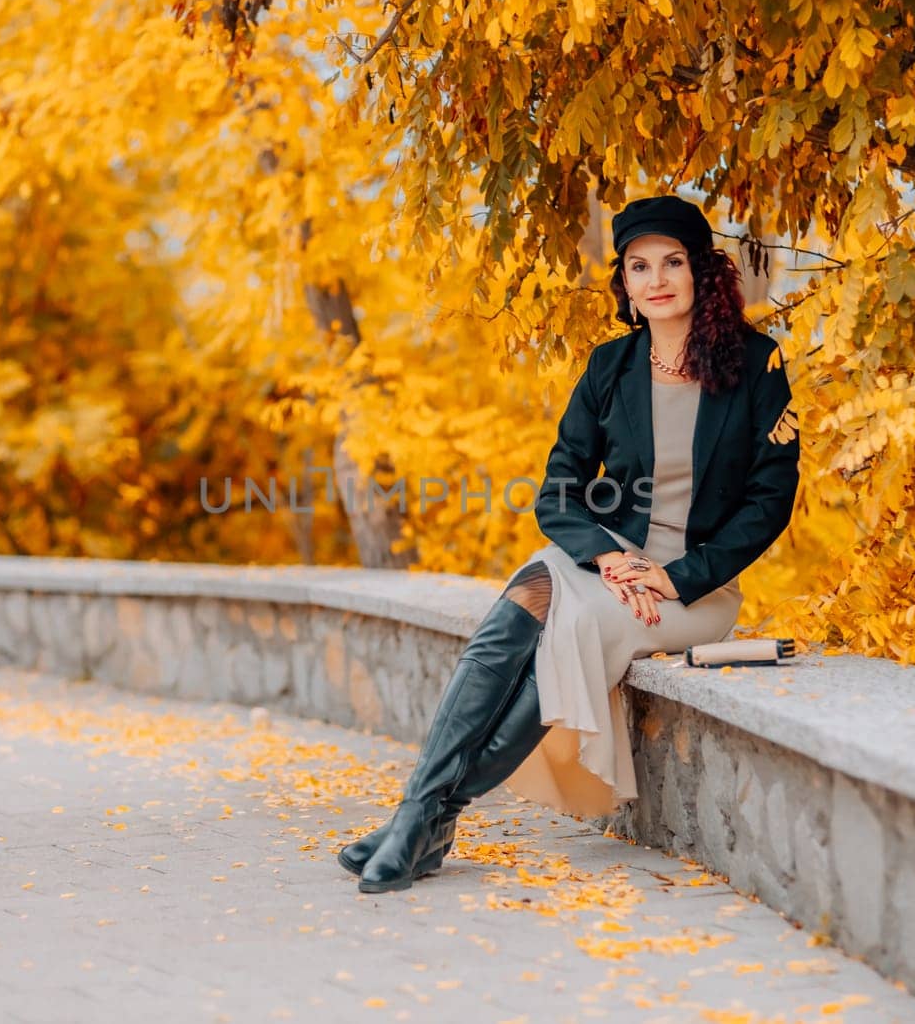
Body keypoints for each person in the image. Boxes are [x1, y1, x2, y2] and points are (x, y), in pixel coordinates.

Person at [340, 193, 801, 893]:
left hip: (695, 588)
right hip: (606, 560)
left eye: (671, 262)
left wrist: (673, 578)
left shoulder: (756, 364)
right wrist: (609, 556)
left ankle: (427, 814)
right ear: (624, 282)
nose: (656, 280)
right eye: (638, 266)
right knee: (522, 604)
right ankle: (421, 813)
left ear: (702, 271)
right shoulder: (609, 367)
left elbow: (769, 503)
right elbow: (558, 488)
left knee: (571, 623)